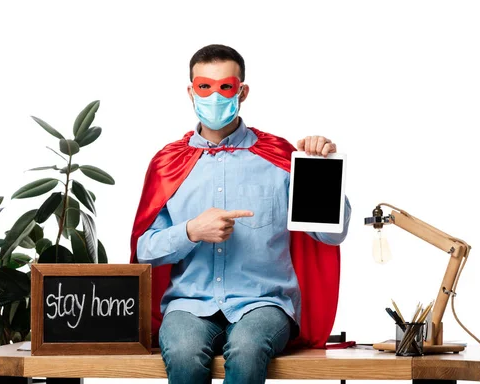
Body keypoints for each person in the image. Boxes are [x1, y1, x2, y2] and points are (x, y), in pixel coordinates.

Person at [130, 44, 351, 384]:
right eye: (205, 87)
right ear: (191, 92)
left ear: (242, 91)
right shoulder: (168, 164)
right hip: (189, 304)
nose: (215, 96)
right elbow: (144, 251)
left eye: (226, 87)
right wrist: (190, 231)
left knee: (247, 348)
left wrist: (319, 172)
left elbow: (330, 235)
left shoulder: (280, 158)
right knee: (185, 352)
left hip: (264, 303)